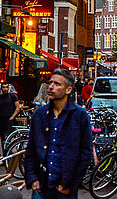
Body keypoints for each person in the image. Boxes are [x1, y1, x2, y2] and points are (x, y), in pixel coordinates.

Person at [24, 69, 93, 198]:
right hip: (42, 187)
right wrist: (33, 179)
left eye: (57, 84)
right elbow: (31, 149)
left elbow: (86, 152)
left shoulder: (79, 115)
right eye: (50, 83)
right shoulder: (39, 115)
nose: (50, 87)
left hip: (64, 189)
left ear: (68, 90)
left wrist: (72, 185)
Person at [0, 82, 21, 153]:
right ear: (1, 88)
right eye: (4, 87)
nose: (5, 89)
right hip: (2, 119)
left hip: (10, 120)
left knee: (7, 138)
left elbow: (17, 108)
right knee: (1, 138)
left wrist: (12, 117)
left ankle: (7, 154)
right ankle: (2, 154)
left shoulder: (13, 96)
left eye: (6, 87)